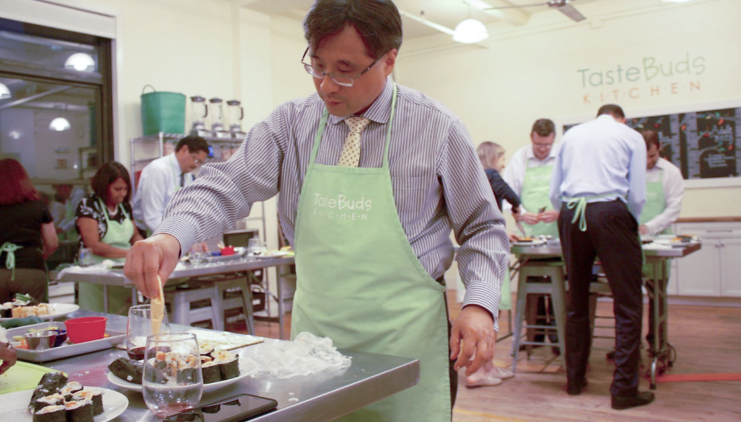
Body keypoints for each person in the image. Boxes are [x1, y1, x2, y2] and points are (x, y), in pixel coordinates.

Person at [125, 1, 509, 420]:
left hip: (407, 341)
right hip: (314, 345)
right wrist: (170, 235)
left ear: (388, 60)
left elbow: (483, 227)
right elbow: (227, 183)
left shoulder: (436, 128)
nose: (326, 85)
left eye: (345, 69)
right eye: (317, 65)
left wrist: (479, 305)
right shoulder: (291, 124)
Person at [550, 104, 652, 410]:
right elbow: (636, 194)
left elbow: (555, 191)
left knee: (577, 300)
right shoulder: (630, 135)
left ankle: (574, 381)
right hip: (610, 211)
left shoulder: (572, 135)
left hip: (571, 213)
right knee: (628, 303)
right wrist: (627, 222)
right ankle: (623, 391)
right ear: (622, 118)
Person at [465, 141, 519, 387]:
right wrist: (519, 209)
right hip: (489, 254)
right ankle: (477, 370)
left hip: (477, 253)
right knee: (489, 311)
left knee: (489, 311)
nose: (504, 162)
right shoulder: (491, 175)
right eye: (502, 157)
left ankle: (487, 365)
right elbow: (512, 196)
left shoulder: (474, 177)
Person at [504, 118, 561, 350]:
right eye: (539, 145)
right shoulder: (520, 158)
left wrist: (559, 213)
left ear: (553, 140)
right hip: (529, 234)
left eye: (547, 145)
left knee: (560, 285)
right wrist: (522, 213)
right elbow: (507, 195)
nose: (543, 150)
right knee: (533, 284)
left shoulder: (561, 157)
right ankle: (534, 336)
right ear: (531, 138)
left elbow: (571, 195)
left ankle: (559, 336)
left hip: (557, 233)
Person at [76, 162, 143, 314]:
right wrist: (129, 253)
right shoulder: (89, 205)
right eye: (118, 189)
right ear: (103, 186)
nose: (123, 194)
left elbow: (135, 235)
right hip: (97, 277)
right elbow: (94, 245)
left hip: (123, 274)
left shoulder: (124, 207)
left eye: (126, 189)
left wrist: (142, 246)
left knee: (124, 323)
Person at [638, 129, 684, 352]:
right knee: (628, 298)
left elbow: (674, 208)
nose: (648, 161)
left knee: (658, 297)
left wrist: (650, 227)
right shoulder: (628, 171)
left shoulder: (671, 173)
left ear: (660, 149)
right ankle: (628, 345)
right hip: (632, 244)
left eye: (652, 156)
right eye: (643, 157)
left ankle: (658, 343)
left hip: (659, 243)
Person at [0, 159, 58, 303]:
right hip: (30, 269)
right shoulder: (38, 206)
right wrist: (40, 254)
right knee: (30, 320)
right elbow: (52, 242)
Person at [133, 136, 209, 234]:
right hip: (151, 234)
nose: (196, 165)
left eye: (200, 163)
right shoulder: (159, 170)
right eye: (195, 159)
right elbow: (152, 218)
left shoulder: (187, 175)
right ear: (184, 150)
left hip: (171, 235)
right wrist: (177, 239)